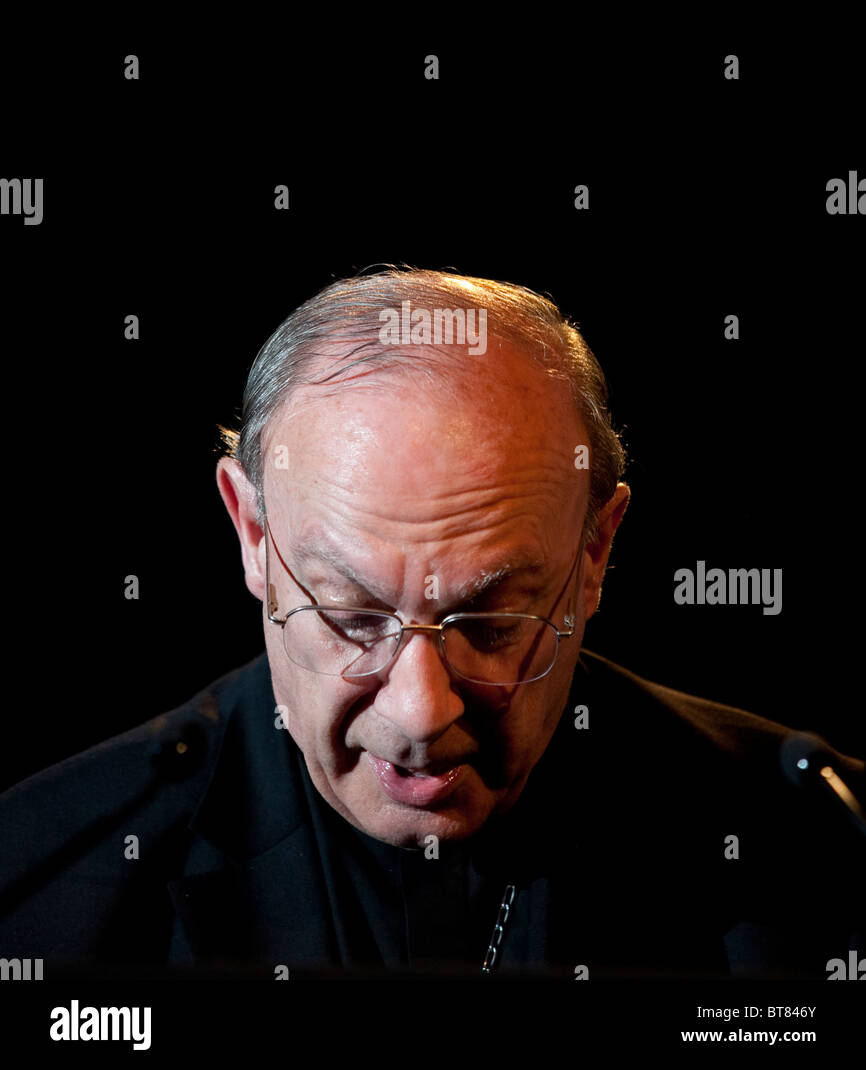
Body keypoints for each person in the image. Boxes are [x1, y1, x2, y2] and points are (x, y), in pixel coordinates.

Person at [1, 267, 863, 980]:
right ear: (254, 536)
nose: (420, 713)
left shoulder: (826, 848)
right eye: (350, 615)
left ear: (596, 553)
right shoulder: (39, 883)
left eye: (491, 619)